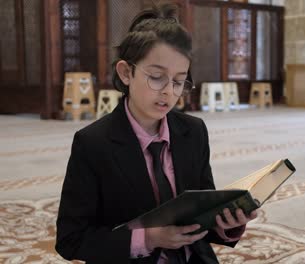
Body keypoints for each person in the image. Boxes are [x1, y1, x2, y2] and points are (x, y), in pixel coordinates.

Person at [55, 2, 257, 263]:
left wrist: (228, 224)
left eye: (178, 81)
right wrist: (149, 239)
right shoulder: (93, 144)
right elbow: (71, 240)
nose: (168, 92)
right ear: (126, 72)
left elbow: (202, 214)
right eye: (157, 77)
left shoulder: (193, 132)